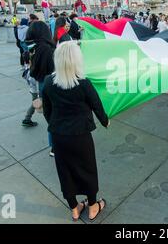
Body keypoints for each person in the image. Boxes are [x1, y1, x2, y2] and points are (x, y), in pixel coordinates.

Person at [42, 41, 109, 222]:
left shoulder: (48, 82)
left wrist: (57, 126)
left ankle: (74, 208)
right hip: (80, 136)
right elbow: (97, 105)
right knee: (87, 170)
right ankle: (93, 206)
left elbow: (47, 112)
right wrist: (105, 121)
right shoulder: (83, 83)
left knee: (65, 172)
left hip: (59, 136)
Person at [27, 21, 56, 156]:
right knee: (54, 117)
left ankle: (53, 146)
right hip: (50, 85)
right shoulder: (47, 49)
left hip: (41, 85)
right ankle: (55, 147)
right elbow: (53, 70)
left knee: (49, 116)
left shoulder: (35, 47)